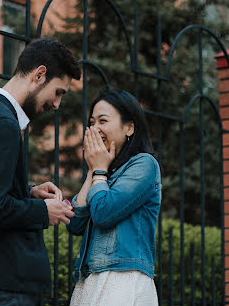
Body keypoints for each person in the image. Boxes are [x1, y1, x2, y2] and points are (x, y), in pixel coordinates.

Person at [0, 38, 81, 305]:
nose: (57, 104)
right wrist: (44, 212)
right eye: (58, 92)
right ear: (39, 75)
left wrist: (29, 192)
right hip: (5, 278)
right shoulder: (3, 123)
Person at [67, 89, 161, 306]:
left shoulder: (144, 165)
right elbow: (74, 223)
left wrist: (99, 170)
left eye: (103, 121)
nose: (94, 129)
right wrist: (94, 171)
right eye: (92, 122)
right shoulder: (103, 172)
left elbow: (104, 213)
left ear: (129, 127)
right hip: (91, 279)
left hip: (123, 279)